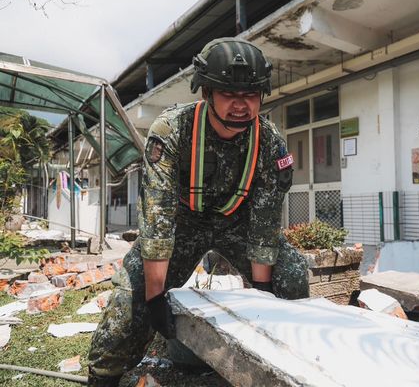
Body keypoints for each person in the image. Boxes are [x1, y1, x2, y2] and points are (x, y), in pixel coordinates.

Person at [87, 37, 309, 387]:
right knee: (130, 305)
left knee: (293, 276)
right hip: (181, 223)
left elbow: (265, 221)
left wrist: (264, 293)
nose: (241, 105)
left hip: (238, 222)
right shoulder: (172, 130)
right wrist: (156, 297)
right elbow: (157, 217)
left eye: (250, 95)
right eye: (229, 94)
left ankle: (287, 365)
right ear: (206, 92)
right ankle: (102, 376)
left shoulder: (269, 141)